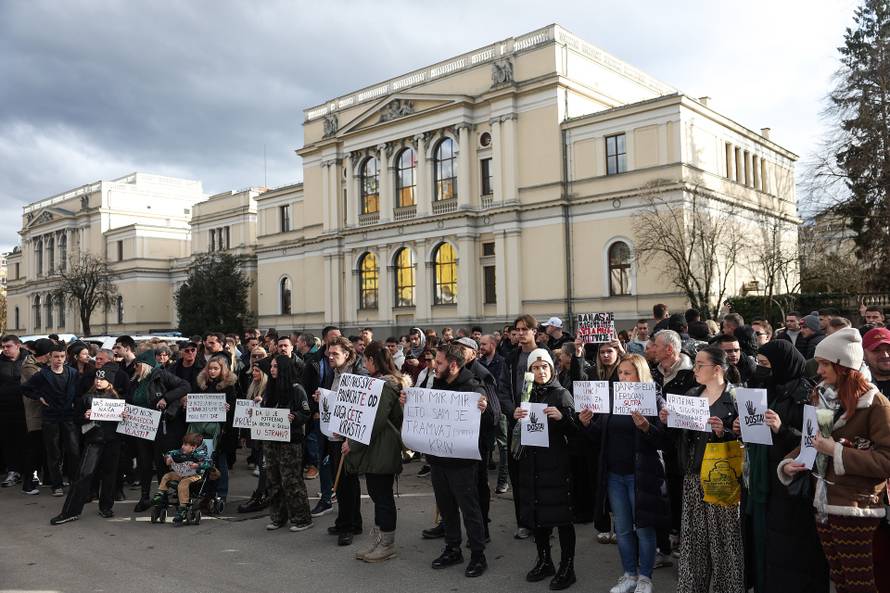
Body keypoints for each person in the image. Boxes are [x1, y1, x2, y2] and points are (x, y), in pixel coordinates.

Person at [779, 328, 890, 593]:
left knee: (860, 584)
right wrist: (789, 463)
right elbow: (810, 440)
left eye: (825, 364)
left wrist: (836, 452)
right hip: (824, 502)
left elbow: (886, 461)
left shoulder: (876, 404)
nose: (819, 370)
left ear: (843, 367)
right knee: (840, 580)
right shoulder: (822, 396)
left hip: (857, 507)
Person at [736, 340, 828, 593]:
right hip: (761, 480)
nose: (760, 369)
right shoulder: (763, 387)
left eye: (766, 365)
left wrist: (781, 429)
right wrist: (742, 428)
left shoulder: (806, 394)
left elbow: (812, 441)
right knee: (764, 547)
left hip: (789, 486)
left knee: (789, 552)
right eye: (759, 364)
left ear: (782, 364)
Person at [580, 354, 669, 593]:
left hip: (641, 474)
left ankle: (645, 579)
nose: (622, 377)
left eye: (628, 373)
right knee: (622, 529)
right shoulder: (611, 398)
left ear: (640, 374)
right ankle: (629, 575)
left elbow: (663, 438)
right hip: (614, 475)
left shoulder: (654, 397)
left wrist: (646, 427)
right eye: (620, 373)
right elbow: (601, 435)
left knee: (644, 528)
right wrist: (588, 424)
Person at [659, 347, 744, 593]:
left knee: (724, 541)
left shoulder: (736, 397)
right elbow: (677, 436)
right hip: (692, 476)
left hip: (723, 478)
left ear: (717, 369)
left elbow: (750, 439)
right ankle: (691, 587)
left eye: (699, 365)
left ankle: (726, 588)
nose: (694, 369)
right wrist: (667, 420)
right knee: (694, 540)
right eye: (695, 364)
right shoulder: (692, 394)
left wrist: (725, 432)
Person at [417, 343, 491, 577]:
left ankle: (478, 556)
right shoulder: (435, 383)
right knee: (447, 508)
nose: (434, 366)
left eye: (439, 363)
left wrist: (484, 408)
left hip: (461, 464)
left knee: (470, 510)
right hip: (438, 461)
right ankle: (452, 548)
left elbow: (491, 419)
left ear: (454, 365)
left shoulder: (473, 387)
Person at [513, 348, 578, 590]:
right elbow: (520, 434)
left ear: (552, 369)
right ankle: (544, 560)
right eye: (535, 368)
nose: (540, 371)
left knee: (562, 519)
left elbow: (577, 435)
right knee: (539, 517)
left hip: (555, 466)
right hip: (532, 465)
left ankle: (567, 566)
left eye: (544, 367)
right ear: (529, 371)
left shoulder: (561, 394)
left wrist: (563, 418)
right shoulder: (527, 395)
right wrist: (517, 416)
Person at [346, 342, 406, 564]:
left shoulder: (385, 386)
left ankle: (387, 544)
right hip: (377, 447)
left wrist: (352, 444)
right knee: (376, 492)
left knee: (382, 496)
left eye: (365, 360)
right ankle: (380, 539)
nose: (364, 364)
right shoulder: (383, 384)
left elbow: (373, 422)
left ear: (373, 360)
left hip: (383, 447)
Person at [51, 367, 125, 525]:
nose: (98, 381)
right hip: (94, 441)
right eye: (96, 378)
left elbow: (126, 423)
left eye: (102, 379)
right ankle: (70, 512)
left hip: (113, 442)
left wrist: (126, 417)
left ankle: (106, 507)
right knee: (84, 474)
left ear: (109, 382)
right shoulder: (86, 398)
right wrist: (85, 417)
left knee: (110, 475)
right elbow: (76, 419)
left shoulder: (118, 400)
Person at [314, 336, 368, 544]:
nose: (330, 356)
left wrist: (350, 437)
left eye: (335, 353)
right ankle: (350, 521)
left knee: (346, 481)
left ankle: (349, 526)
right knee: (344, 481)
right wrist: (322, 397)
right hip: (334, 433)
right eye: (329, 353)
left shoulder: (357, 374)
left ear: (347, 355)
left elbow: (361, 407)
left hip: (349, 437)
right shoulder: (333, 372)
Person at [126, 359, 190, 512]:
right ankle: (145, 496)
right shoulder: (136, 380)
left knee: (161, 463)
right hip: (140, 426)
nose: (135, 367)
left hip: (159, 425)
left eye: (137, 364)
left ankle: (163, 497)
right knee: (144, 462)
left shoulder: (160, 375)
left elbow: (185, 386)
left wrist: (166, 399)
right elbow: (130, 399)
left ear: (146, 364)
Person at [22, 344, 81, 497]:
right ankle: (56, 484)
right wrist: (39, 397)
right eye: (56, 356)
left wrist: (75, 403)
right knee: (53, 452)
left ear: (66, 357)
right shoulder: (42, 374)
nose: (59, 360)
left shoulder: (72, 373)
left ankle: (75, 481)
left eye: (62, 357)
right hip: (51, 417)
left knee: (73, 451)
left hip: (68, 416)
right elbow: (25, 388)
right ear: (50, 357)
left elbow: (79, 391)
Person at [263, 354, 313, 532]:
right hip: (271, 441)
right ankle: (278, 517)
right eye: (271, 366)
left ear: (283, 368)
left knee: (291, 481)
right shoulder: (270, 388)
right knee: (273, 480)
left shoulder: (296, 389)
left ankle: (302, 518)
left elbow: (306, 412)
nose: (272, 369)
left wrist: (296, 417)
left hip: (290, 442)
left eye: (275, 366)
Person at [502, 314, 541, 539]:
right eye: (517, 329)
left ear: (534, 331)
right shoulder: (510, 357)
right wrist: (511, 410)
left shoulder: (544, 354)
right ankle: (524, 521)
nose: (521, 333)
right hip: (517, 422)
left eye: (525, 329)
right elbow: (503, 389)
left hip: (539, 421)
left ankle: (541, 521)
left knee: (539, 474)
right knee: (519, 475)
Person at [189, 356, 239, 510]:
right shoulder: (201, 384)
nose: (212, 371)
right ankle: (204, 493)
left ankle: (221, 494)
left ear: (222, 369)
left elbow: (235, 409)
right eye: (210, 368)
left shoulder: (229, 386)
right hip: (202, 431)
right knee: (202, 461)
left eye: (215, 368)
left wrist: (228, 409)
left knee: (220, 463)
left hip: (221, 432)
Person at [152, 433, 212, 526]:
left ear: (193, 447)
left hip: (195, 475)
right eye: (183, 444)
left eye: (185, 445)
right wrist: (167, 458)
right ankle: (159, 494)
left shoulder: (200, 454)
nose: (182, 446)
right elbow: (170, 453)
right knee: (167, 476)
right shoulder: (181, 451)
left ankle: (182, 508)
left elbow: (209, 463)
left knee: (183, 483)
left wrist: (198, 465)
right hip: (182, 473)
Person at [19, 338, 53, 494]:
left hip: (47, 413)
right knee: (34, 450)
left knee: (48, 448)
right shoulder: (29, 366)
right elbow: (43, 383)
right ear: (46, 354)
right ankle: (28, 484)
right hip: (35, 413)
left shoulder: (44, 365)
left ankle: (48, 479)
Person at [0, 335, 27, 489]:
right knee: (8, 440)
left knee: (27, 440)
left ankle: (29, 471)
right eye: (3, 347)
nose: (5, 349)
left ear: (17, 346)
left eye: (8, 346)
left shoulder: (28, 361)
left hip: (25, 407)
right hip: (5, 408)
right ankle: (13, 470)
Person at [862, 327, 890, 396]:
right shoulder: (858, 388)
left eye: (889, 349)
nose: (885, 355)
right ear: (864, 354)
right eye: (876, 350)